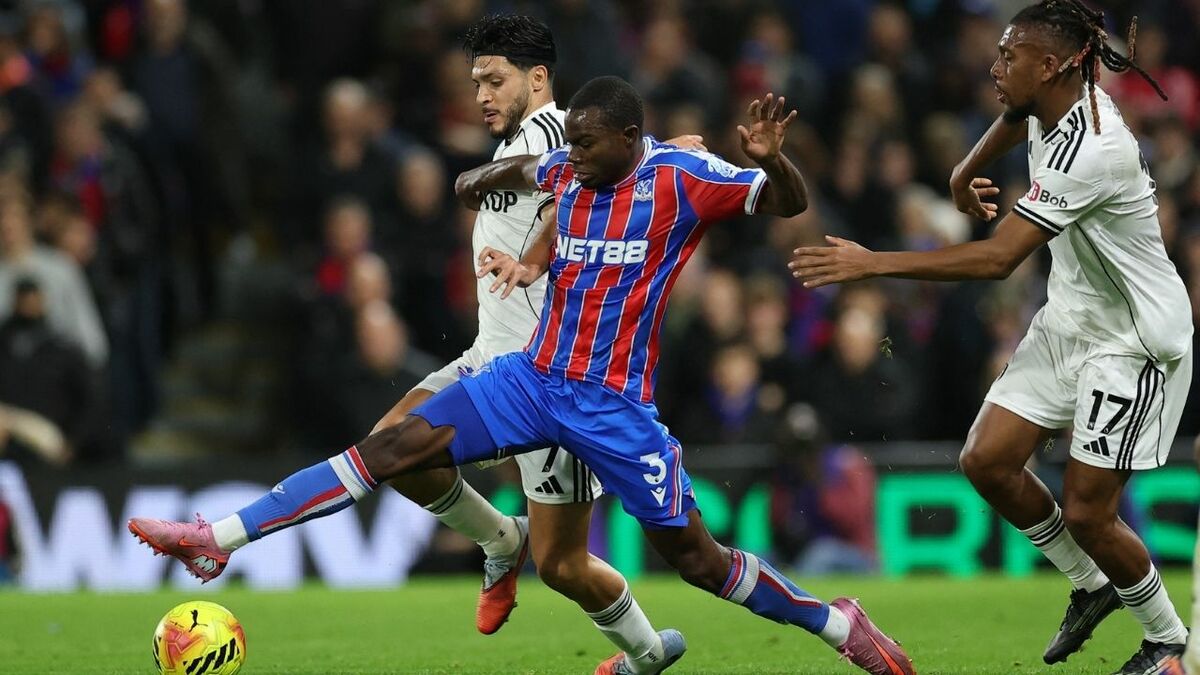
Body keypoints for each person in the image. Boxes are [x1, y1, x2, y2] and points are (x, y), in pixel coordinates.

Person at [129, 75, 914, 675]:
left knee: (699, 562)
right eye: (570, 144)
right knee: (392, 446)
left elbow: (786, 204)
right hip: (533, 380)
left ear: (631, 138)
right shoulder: (569, 169)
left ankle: (837, 622)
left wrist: (774, 162)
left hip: (613, 408)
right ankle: (217, 537)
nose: (575, 156)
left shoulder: (683, 177)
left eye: (590, 144)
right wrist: (508, 223)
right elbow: (528, 187)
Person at [143, 16, 700, 675]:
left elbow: (605, 182)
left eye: (494, 80)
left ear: (538, 78)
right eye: (476, 81)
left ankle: (646, 652)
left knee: (562, 565)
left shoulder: (560, 136)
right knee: (392, 451)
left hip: (552, 381)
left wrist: (659, 157)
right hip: (490, 358)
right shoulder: (520, 144)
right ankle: (493, 540)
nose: (481, 94)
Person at [790, 2, 1189, 672]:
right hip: (1073, 316)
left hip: (1133, 338)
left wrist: (873, 262)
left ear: (1051, 65)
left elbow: (999, 258)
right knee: (986, 460)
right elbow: (1014, 117)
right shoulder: (1049, 101)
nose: (995, 66)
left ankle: (1166, 639)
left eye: (1010, 56)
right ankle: (1091, 584)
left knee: (1089, 513)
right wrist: (961, 171)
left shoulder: (1095, 149)